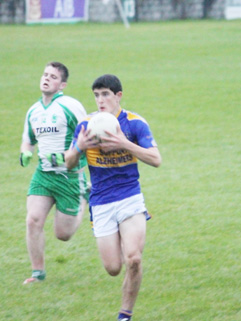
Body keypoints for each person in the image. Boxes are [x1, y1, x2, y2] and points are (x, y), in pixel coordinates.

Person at [65, 74, 161, 321]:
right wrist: (79, 148)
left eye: (105, 94)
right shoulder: (86, 125)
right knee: (113, 268)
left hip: (130, 197)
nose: (100, 100)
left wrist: (124, 143)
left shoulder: (135, 123)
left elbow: (155, 159)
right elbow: (68, 163)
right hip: (101, 201)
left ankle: (124, 315)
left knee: (134, 259)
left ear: (118, 95)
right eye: (96, 95)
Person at [20, 61, 88, 285]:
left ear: (63, 85)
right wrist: (26, 153)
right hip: (43, 174)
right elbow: (28, 140)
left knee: (63, 234)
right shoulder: (34, 110)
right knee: (33, 220)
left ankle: (84, 194)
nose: (46, 78)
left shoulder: (70, 106)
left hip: (68, 176)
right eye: (45, 74)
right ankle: (37, 273)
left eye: (53, 76)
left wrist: (68, 157)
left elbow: (87, 137)